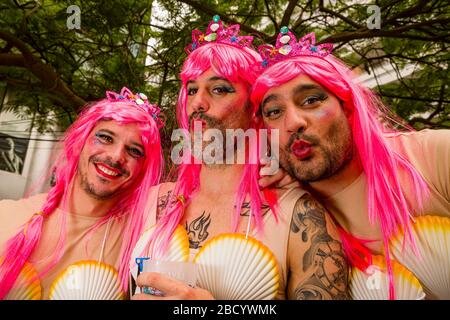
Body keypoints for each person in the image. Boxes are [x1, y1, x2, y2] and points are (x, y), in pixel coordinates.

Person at [132, 17, 349, 300]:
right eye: (192, 89)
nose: (197, 103)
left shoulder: (299, 214)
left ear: (254, 109)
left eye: (220, 89)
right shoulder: (153, 201)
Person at [251, 28, 450, 299]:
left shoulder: (435, 156)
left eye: (311, 100)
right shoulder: (286, 216)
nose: (293, 122)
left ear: (347, 106)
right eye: (274, 112)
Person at [0, 87, 164, 299]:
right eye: (105, 137)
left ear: (142, 168)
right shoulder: (6, 216)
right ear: (80, 142)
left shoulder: (139, 247)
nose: (115, 157)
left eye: (134, 151)